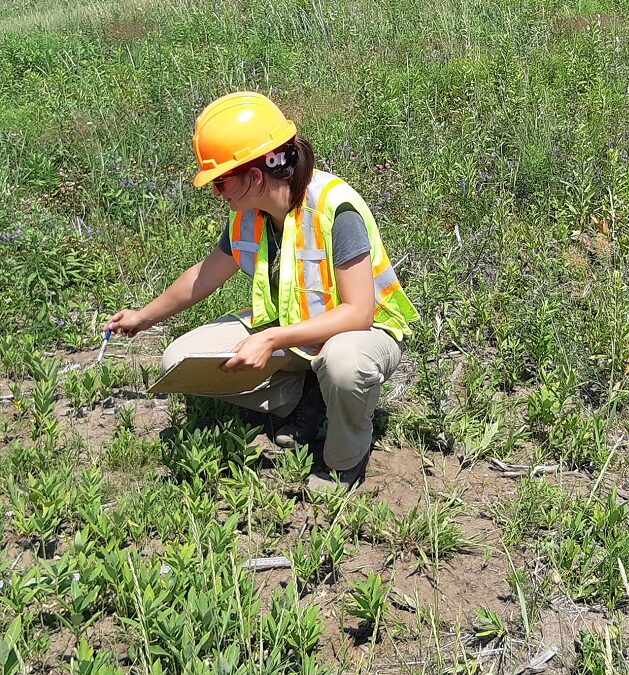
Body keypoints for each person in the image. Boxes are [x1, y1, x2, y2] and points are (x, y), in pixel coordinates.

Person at [105, 91, 419, 487]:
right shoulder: (248, 216)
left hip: (360, 334)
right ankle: (307, 397)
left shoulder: (334, 208)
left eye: (220, 182)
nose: (216, 193)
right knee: (179, 361)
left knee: (344, 364)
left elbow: (359, 312)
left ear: (254, 177)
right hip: (292, 332)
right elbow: (203, 276)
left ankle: (344, 460)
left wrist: (270, 339)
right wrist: (143, 317)